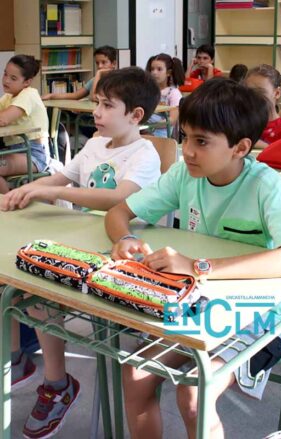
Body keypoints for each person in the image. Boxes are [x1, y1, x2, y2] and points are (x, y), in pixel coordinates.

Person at [105, 77, 281, 439]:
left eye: (201, 141)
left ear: (240, 147)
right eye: (184, 137)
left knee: (194, 393)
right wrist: (123, 238)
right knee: (136, 373)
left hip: (257, 310)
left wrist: (200, 267)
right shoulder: (185, 174)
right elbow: (118, 212)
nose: (187, 151)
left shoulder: (264, 184)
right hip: (198, 305)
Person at [0, 66, 162, 439]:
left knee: (41, 290)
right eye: (97, 102)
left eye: (107, 105)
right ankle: (35, 369)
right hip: (81, 241)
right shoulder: (93, 145)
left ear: (135, 115)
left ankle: (55, 385)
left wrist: (49, 191)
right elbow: (62, 178)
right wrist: (30, 189)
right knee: (24, 279)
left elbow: (118, 198)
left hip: (122, 253)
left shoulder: (146, 154)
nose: (96, 112)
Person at [0, 54, 50, 194]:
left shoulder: (29, 94)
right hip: (15, 151)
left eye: (13, 78)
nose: (6, 80)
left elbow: (3, 119)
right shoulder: (9, 96)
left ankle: (8, 210)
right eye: (5, 74)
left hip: (34, 155)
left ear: (27, 82)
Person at [245, 64, 281, 149]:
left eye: (260, 91)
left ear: (277, 93)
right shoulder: (242, 124)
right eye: (249, 91)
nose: (253, 97)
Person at [42, 45, 117, 101]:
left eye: (104, 62)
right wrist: (51, 96)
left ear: (113, 64)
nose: (100, 66)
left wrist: (98, 74)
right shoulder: (94, 80)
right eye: (97, 63)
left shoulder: (118, 80)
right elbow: (75, 95)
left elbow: (93, 97)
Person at [145, 53, 185, 138]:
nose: (154, 73)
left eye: (159, 69)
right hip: (146, 129)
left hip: (162, 134)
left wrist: (151, 126)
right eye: (152, 69)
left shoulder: (173, 93)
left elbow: (172, 120)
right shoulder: (149, 91)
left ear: (168, 73)